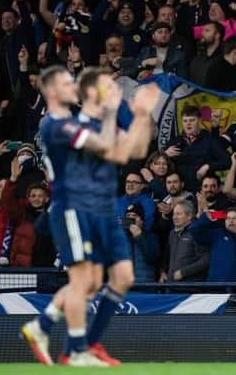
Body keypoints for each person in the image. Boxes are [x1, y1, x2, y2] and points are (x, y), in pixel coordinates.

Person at [20, 65, 157, 367]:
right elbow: (117, 153)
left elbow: (137, 148)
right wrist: (137, 113)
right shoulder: (63, 125)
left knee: (113, 278)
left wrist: (143, 116)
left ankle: (50, 331)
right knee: (86, 280)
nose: (116, 89)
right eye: (109, 85)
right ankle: (77, 348)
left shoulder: (91, 123)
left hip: (104, 209)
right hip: (78, 208)